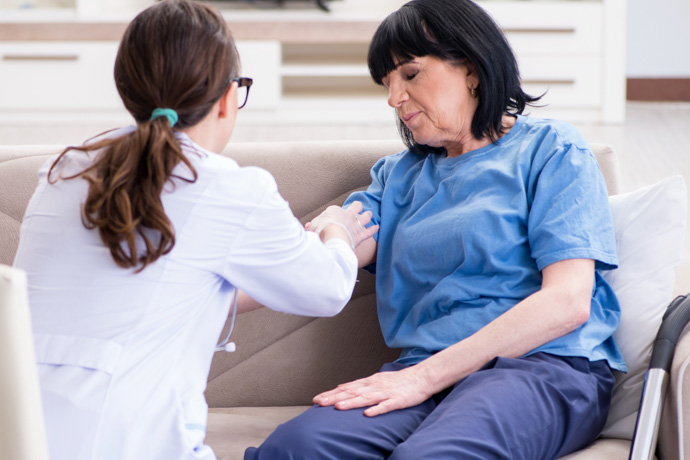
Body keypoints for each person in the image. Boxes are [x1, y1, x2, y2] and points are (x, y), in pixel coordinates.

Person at [245, 0, 626, 458]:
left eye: (409, 74)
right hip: (422, 371)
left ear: (470, 67)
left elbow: (567, 302)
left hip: (541, 367)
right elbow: (342, 244)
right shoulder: (397, 177)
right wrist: (333, 229)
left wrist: (423, 378)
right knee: (294, 448)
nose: (393, 98)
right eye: (386, 84)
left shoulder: (552, 151)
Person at [12, 1, 376, 459]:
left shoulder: (62, 174)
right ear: (227, 97)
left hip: (21, 435)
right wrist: (336, 230)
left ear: (128, 90)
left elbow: (146, 294)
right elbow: (326, 290)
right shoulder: (228, 188)